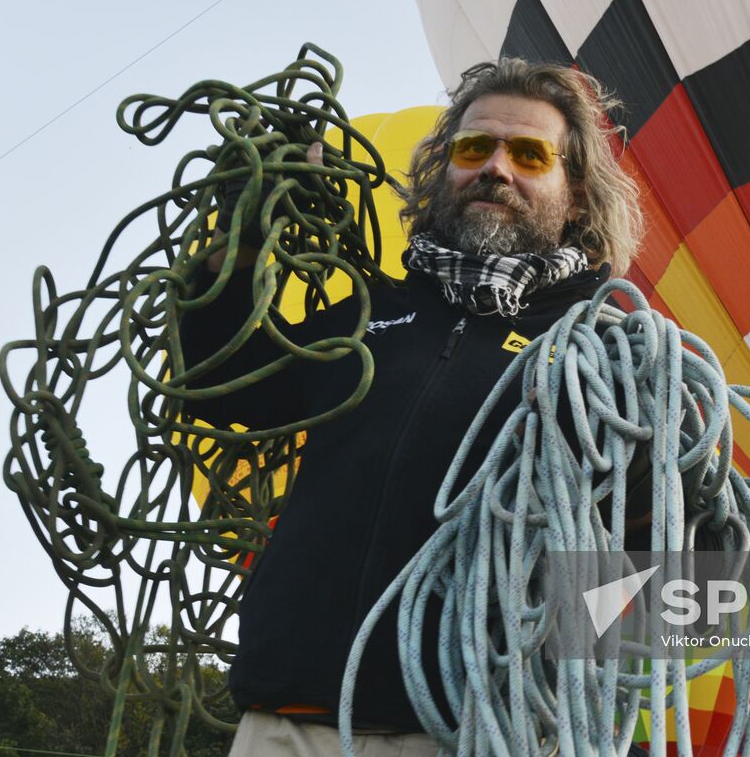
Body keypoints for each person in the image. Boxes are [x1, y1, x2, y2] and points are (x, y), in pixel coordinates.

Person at [181, 58, 645, 755]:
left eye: (528, 154)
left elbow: (664, 536)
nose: (496, 167)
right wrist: (243, 233)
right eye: (473, 147)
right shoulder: (371, 314)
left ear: (576, 194)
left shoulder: (607, 354)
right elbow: (227, 389)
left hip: (474, 731)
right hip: (287, 720)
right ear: (443, 170)